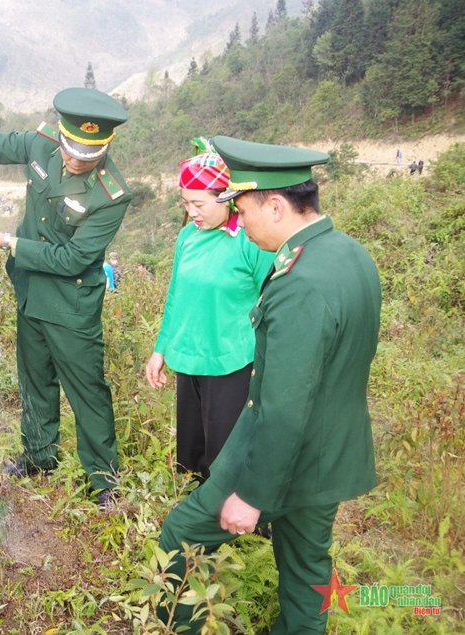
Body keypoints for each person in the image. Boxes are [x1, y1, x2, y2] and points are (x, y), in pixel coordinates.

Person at [156, 135, 382, 633]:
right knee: (307, 574)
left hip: (284, 457)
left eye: (243, 209)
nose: (241, 222)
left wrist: (253, 495)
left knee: (181, 534)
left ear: (276, 206)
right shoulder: (349, 254)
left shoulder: (300, 283)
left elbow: (283, 406)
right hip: (330, 454)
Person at [0, 87, 132, 509]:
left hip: (71, 302)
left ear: (105, 146)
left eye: (87, 156)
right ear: (62, 136)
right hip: (30, 288)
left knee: (86, 388)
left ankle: (104, 480)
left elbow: (73, 259)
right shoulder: (44, 142)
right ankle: (38, 456)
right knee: (34, 379)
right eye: (70, 150)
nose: (74, 160)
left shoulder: (111, 194)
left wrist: (7, 242)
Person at [145, 142, 275, 481]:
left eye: (198, 203)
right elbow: (176, 296)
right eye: (186, 203)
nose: (192, 211)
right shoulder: (188, 236)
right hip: (189, 359)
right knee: (192, 453)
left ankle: (243, 525)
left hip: (231, 362)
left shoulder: (250, 241)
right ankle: (196, 520)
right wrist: (161, 349)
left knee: (227, 454)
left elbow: (274, 300)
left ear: (226, 198)